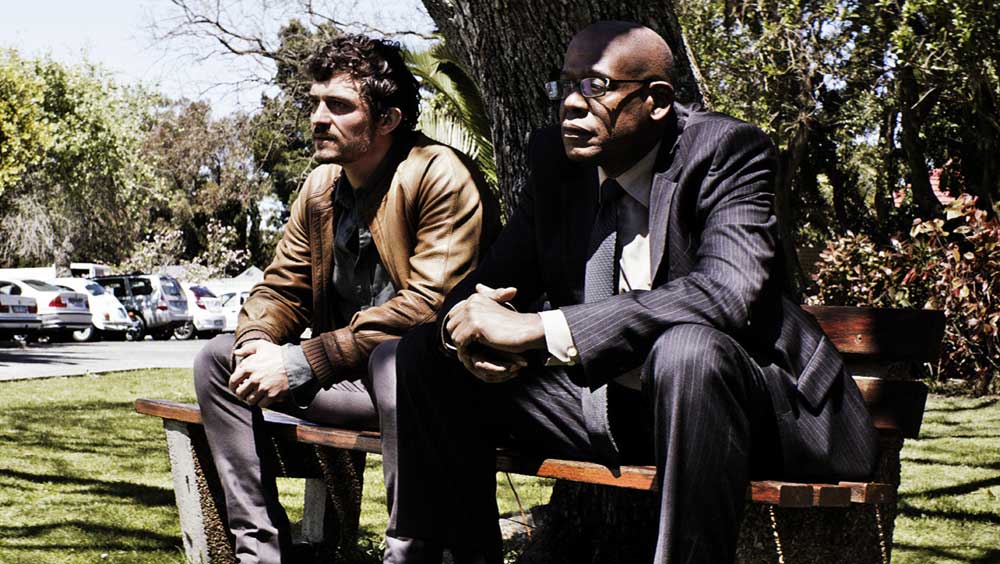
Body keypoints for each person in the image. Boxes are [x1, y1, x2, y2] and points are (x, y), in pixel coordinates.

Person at [369, 21, 879, 564]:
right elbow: (492, 280)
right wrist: (467, 332)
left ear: (655, 101)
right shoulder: (558, 162)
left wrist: (542, 328)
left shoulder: (725, 151)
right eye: (565, 85)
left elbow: (727, 293)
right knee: (422, 354)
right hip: (620, 407)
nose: (571, 104)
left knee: (687, 351)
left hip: (757, 414)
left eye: (595, 87)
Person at [193, 33, 499, 563]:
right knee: (218, 360)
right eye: (315, 103)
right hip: (346, 381)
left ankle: (407, 554)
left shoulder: (438, 174)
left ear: (389, 119)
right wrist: (258, 341)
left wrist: (304, 361)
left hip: (434, 388)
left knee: (395, 361)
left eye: (339, 106)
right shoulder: (320, 187)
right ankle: (258, 553)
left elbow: (431, 307)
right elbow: (280, 288)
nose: (318, 118)